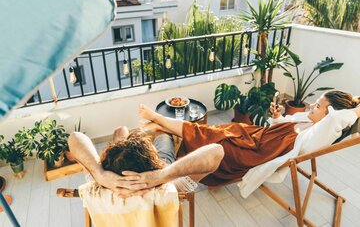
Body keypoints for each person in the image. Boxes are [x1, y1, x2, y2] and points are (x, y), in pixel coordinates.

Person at [124, 90, 360, 190]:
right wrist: (277, 117)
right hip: (254, 137)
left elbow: (340, 119)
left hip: (253, 154)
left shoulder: (321, 132)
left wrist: (357, 110)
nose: (311, 105)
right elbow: (279, 127)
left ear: (331, 115)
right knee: (221, 128)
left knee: (210, 136)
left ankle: (159, 120)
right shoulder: (310, 121)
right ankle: (168, 128)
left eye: (318, 106)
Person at [68, 125, 224, 196]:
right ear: (153, 164)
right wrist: (162, 175)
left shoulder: (98, 189)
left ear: (107, 166)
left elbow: (74, 137)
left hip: (120, 173)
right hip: (160, 172)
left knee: (121, 130)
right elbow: (217, 151)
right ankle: (159, 132)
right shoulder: (166, 190)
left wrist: (100, 174)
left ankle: (131, 140)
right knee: (163, 135)